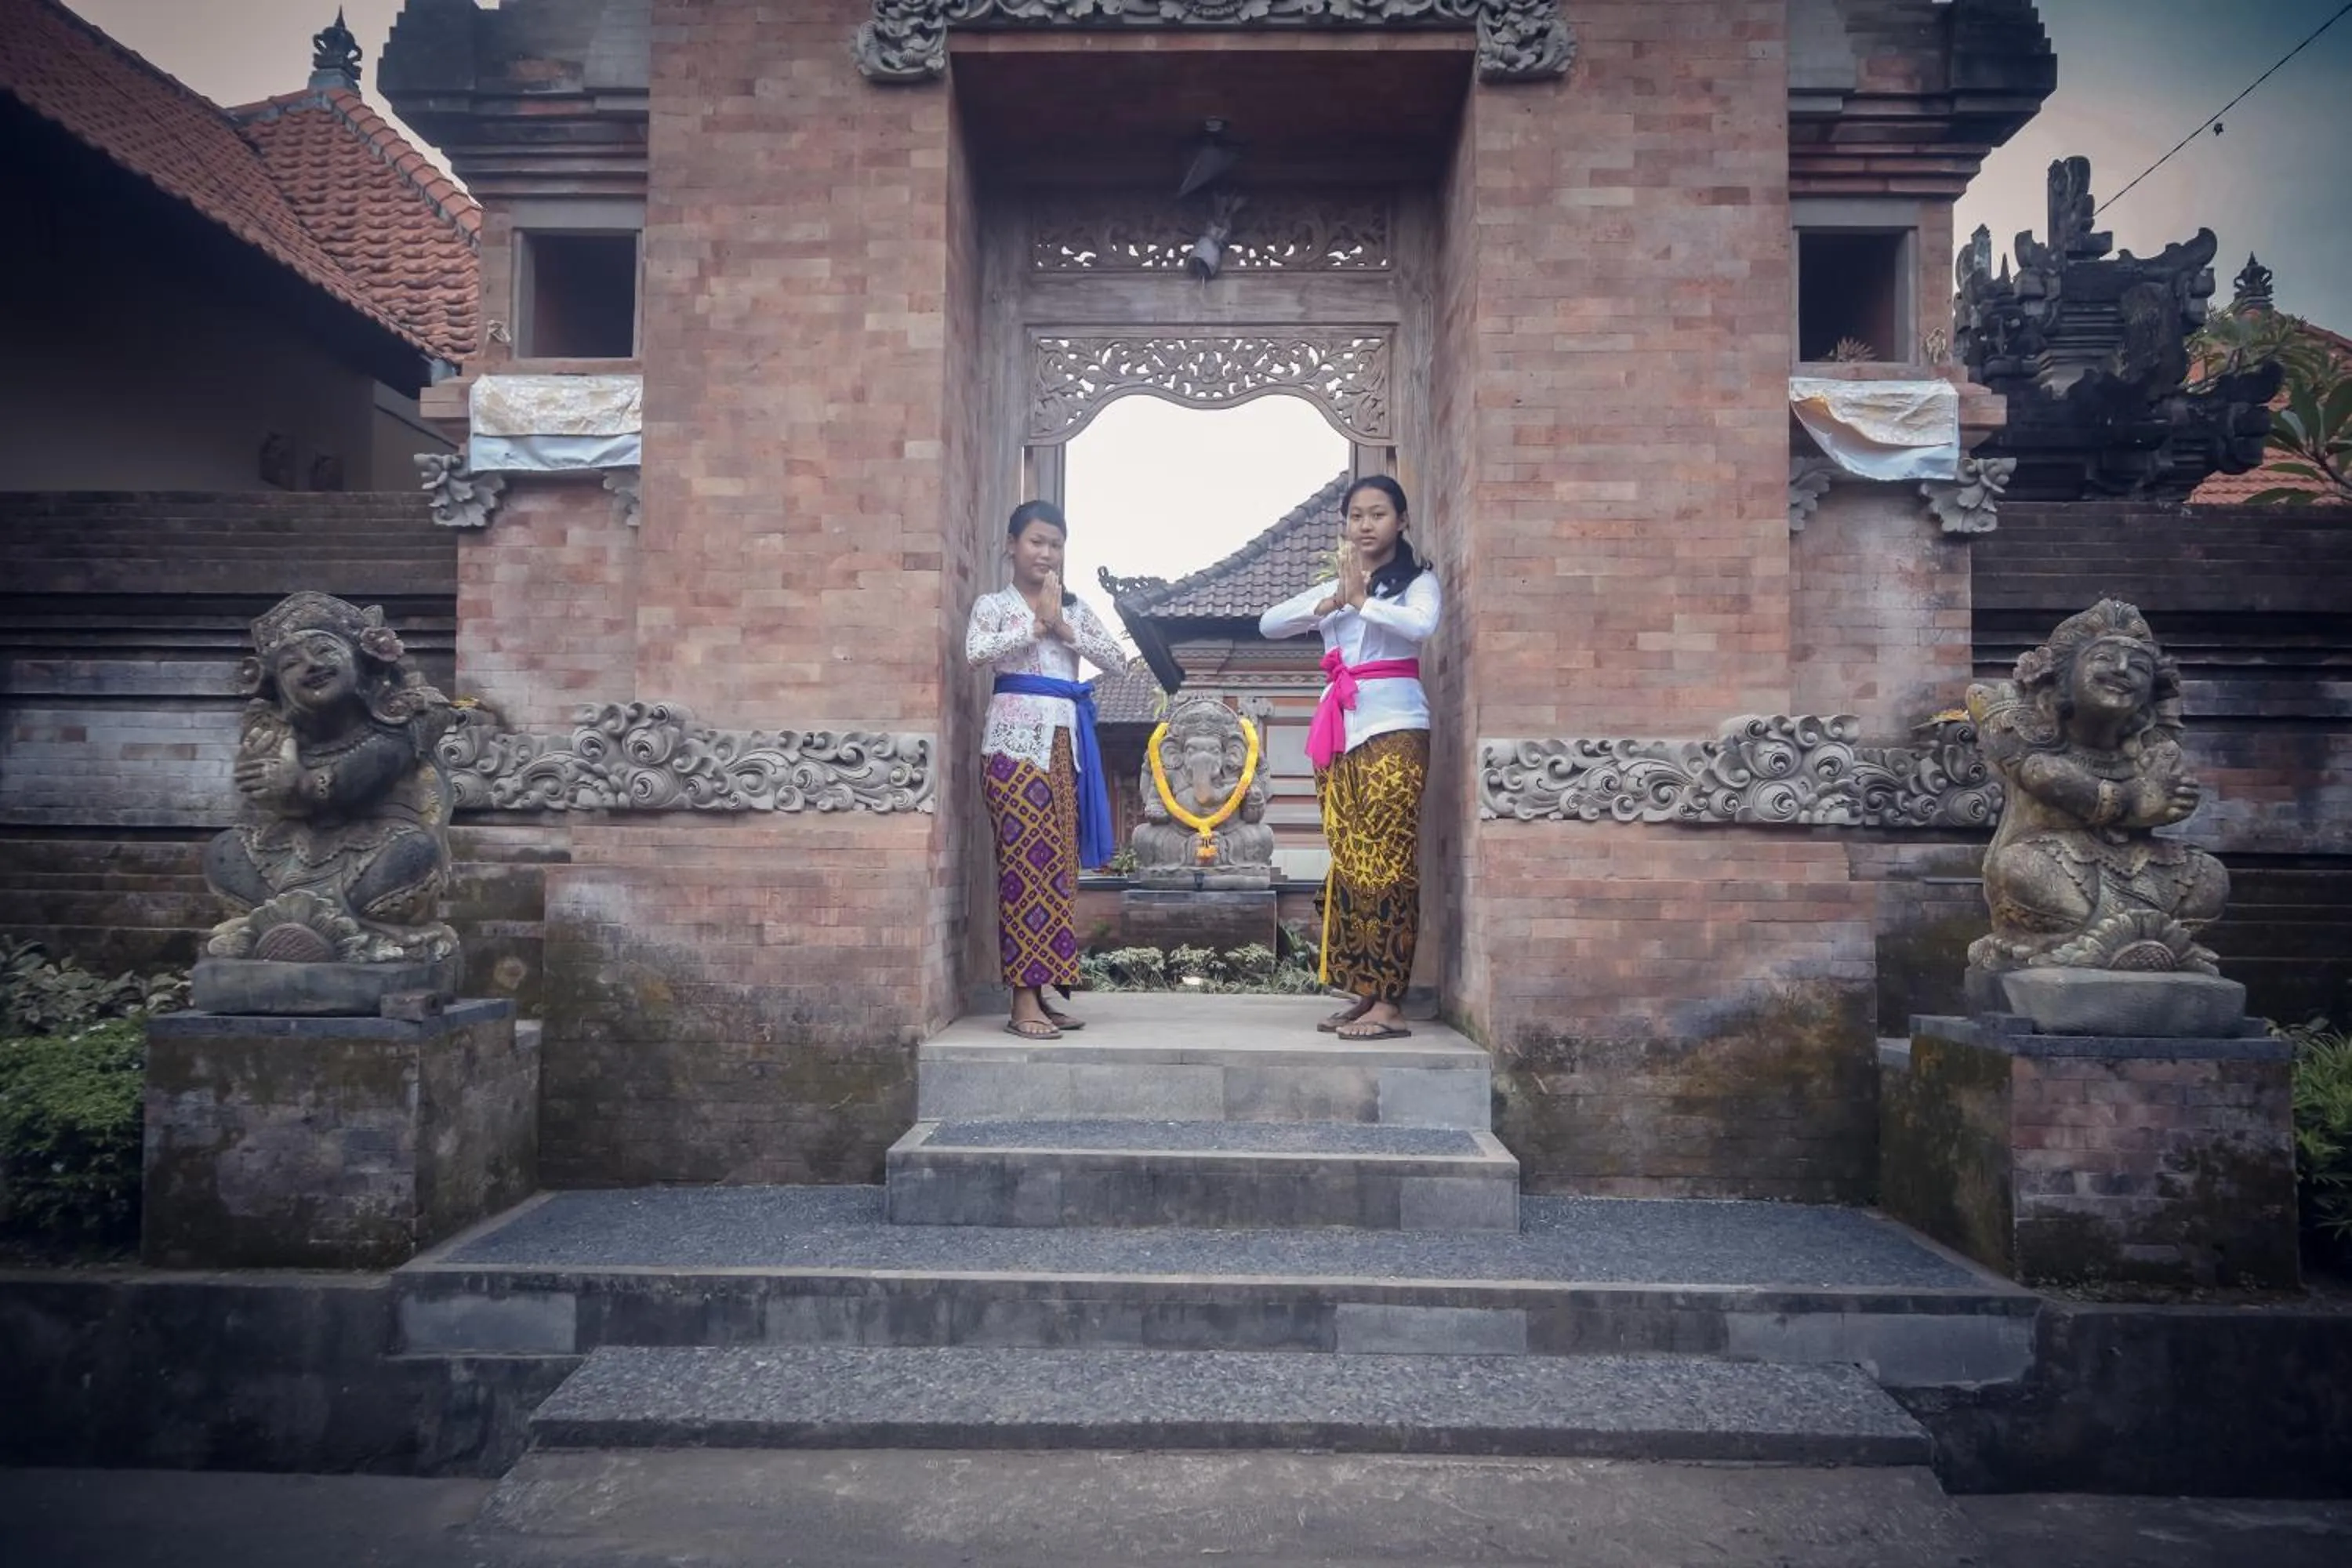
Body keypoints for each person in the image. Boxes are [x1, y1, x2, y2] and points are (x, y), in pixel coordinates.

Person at [1258, 475, 1440, 1040]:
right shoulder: (1336, 589)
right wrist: (1335, 600)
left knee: (1388, 861)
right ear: (1345, 524)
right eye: (1356, 515)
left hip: (1395, 727)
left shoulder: (1418, 582)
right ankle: (1363, 990)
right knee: (1352, 860)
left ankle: (1390, 1000)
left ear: (1401, 522)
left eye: (1378, 514)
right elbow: (1270, 624)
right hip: (1338, 733)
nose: (1366, 525)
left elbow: (1422, 626)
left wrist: (1364, 602)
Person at [967, 500, 1129, 1039]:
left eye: (1055, 544)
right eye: (1036, 541)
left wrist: (1063, 627)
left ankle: (1046, 989)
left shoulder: (1075, 608)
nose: (1046, 552)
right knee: (1023, 868)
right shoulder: (994, 605)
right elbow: (975, 651)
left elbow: (1118, 660)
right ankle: (1021, 1002)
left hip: (1065, 748)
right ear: (1011, 545)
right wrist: (1034, 629)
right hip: (1012, 749)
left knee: (1058, 870)